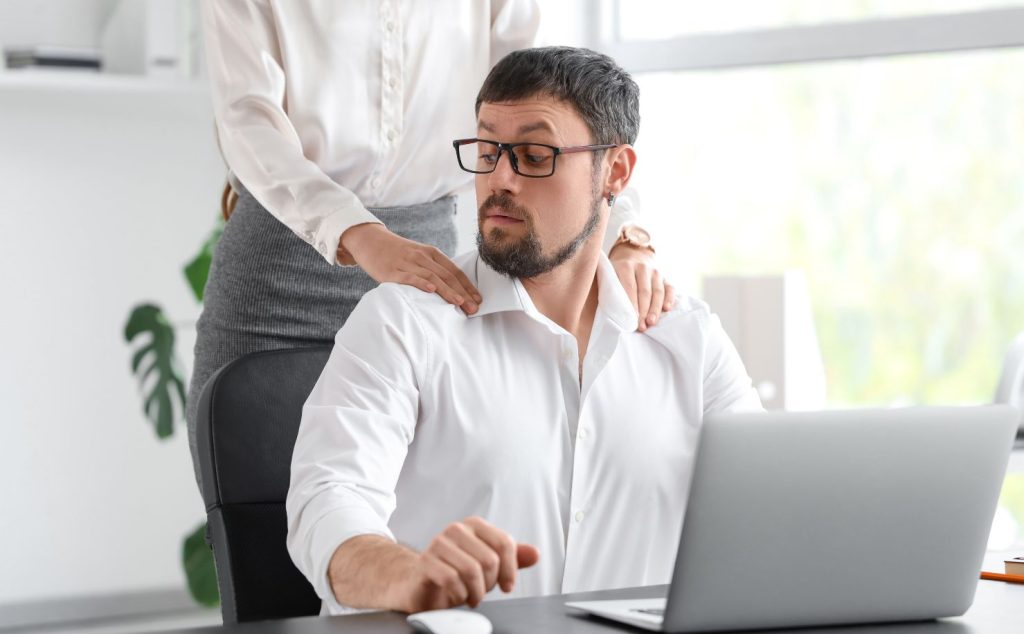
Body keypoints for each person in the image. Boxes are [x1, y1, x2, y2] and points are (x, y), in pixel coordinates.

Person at [286, 46, 763, 616]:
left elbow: (769, 514)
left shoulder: (687, 339)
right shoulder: (402, 323)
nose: (499, 179)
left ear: (615, 172)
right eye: (487, 151)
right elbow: (327, 503)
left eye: (534, 155)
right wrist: (409, 578)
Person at [188, 1, 673, 492]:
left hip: (428, 280)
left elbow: (552, 106)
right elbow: (247, 122)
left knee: (424, 520)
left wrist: (626, 233)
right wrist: (359, 234)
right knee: (256, 524)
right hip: (277, 282)